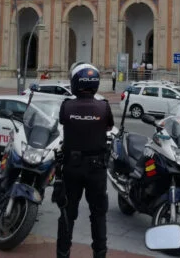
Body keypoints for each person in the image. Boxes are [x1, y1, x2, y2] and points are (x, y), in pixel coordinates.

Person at [53, 61, 114, 258]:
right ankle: (99, 254)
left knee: (67, 214)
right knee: (98, 215)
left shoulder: (67, 106)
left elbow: (63, 122)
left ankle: (63, 253)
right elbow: (107, 127)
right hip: (97, 169)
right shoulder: (104, 107)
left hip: (72, 166)